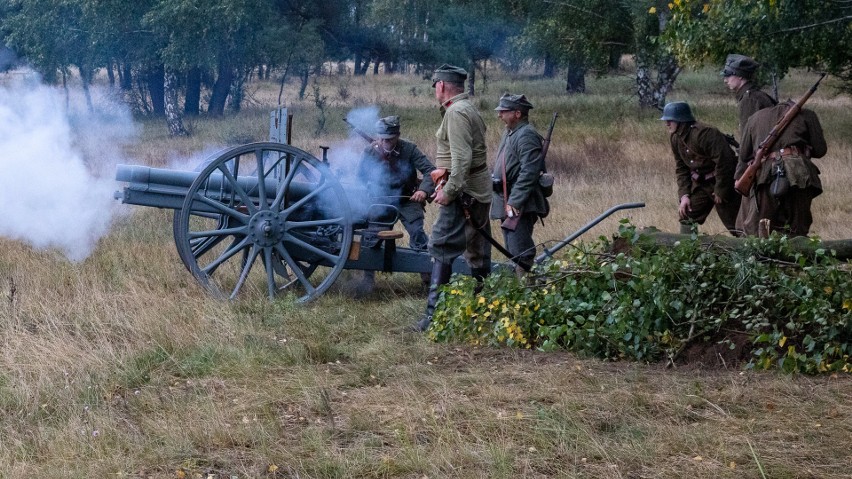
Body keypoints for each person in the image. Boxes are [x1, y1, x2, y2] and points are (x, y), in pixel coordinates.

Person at [415, 64, 491, 332]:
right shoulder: (467, 108)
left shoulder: (456, 113)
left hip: (463, 193)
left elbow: (462, 158)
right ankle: (483, 309)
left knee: (440, 246)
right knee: (477, 250)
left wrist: (448, 191)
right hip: (477, 189)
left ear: (441, 86)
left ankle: (434, 317)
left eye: (435, 85)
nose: (435, 89)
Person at [355, 115, 436, 294]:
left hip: (407, 200)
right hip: (381, 201)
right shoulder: (370, 151)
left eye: (389, 139)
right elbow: (360, 178)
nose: (385, 142)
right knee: (371, 239)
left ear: (397, 136)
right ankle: (368, 280)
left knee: (417, 235)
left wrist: (423, 191)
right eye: (382, 138)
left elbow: (430, 171)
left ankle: (428, 278)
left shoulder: (409, 149)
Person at [738, 100, 827, 237]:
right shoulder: (807, 114)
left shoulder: (754, 117)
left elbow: (744, 154)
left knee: (762, 229)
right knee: (798, 230)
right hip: (799, 172)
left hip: (765, 174)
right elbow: (820, 150)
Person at [490, 93, 549, 275]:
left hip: (519, 202)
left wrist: (514, 202)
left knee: (522, 251)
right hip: (506, 197)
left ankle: (526, 292)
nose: (499, 115)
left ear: (517, 113)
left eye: (504, 111)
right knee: (513, 249)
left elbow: (529, 172)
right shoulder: (510, 132)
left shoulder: (526, 135)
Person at [661, 101, 740, 236]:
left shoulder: (705, 134)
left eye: (670, 120)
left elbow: (725, 162)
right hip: (701, 185)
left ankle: (749, 253)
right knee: (687, 215)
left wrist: (721, 190)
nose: (667, 124)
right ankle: (688, 250)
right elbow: (681, 168)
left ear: (681, 120)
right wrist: (684, 195)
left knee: (736, 224)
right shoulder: (675, 138)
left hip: (723, 181)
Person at [721, 53, 777, 236]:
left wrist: (740, 173)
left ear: (740, 77)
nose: (725, 80)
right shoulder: (757, 96)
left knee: (749, 220)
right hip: (768, 163)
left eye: (728, 75)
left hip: (761, 165)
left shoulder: (750, 100)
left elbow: (750, 143)